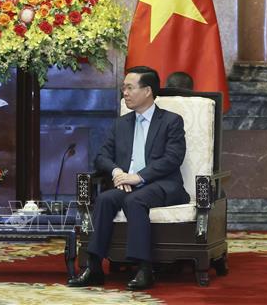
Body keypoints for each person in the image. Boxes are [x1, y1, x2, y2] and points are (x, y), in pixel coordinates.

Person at [68, 66, 189, 290]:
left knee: (135, 200)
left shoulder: (171, 121)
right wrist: (116, 173)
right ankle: (93, 267)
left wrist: (138, 177)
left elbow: (173, 158)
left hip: (162, 185)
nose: (125, 92)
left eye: (130, 88)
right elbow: (102, 156)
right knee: (104, 199)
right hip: (126, 184)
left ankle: (144, 268)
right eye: (124, 88)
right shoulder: (121, 123)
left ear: (148, 91)